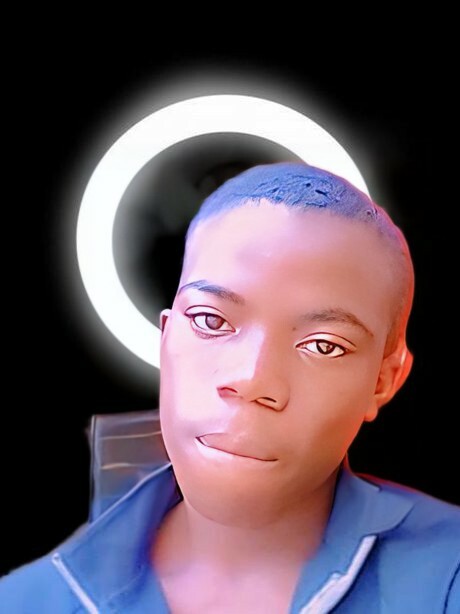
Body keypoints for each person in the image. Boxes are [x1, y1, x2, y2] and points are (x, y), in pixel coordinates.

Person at [1, 162, 459, 613]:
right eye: (210, 320)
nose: (252, 379)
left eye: (323, 345)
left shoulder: (448, 575)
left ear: (384, 380)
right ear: (166, 339)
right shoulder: (25, 602)